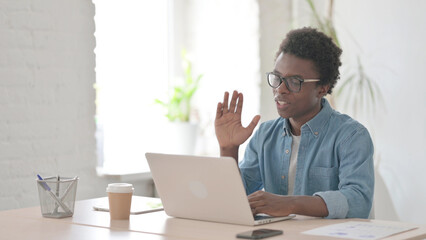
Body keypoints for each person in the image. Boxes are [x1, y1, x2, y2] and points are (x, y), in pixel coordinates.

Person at [214, 27, 374, 219]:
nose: (280, 89)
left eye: (294, 81)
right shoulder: (265, 134)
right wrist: (228, 149)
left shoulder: (351, 136)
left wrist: (290, 204)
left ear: (322, 88)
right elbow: (236, 199)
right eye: (278, 78)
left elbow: (358, 202)